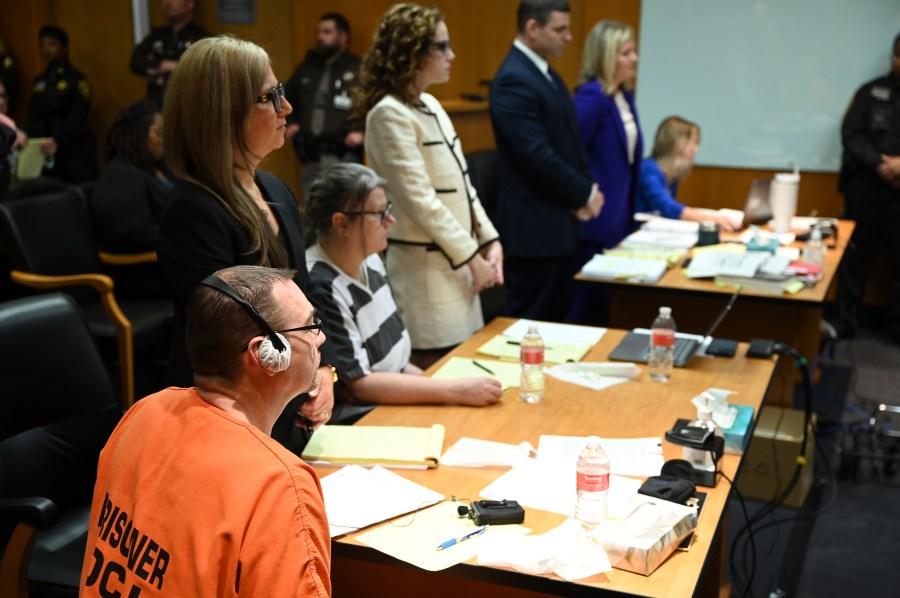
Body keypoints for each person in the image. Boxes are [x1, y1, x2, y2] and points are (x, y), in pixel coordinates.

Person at [80, 265, 332, 597]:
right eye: (310, 326)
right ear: (267, 355)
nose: (321, 338)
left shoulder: (143, 412)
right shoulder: (278, 485)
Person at [157, 36, 335, 453]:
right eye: (268, 97)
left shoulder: (275, 189)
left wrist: (325, 370)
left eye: (282, 92)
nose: (285, 108)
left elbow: (306, 302)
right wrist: (306, 375)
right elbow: (231, 344)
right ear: (222, 114)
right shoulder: (192, 211)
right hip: (232, 429)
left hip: (290, 410)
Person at [352, 3, 503, 363]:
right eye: (441, 46)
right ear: (412, 53)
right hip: (427, 278)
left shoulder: (431, 104)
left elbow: (464, 186)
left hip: (462, 269)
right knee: (438, 375)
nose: (452, 55)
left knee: (467, 370)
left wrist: (490, 239)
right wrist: (471, 256)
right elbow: (421, 201)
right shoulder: (388, 114)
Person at [305, 163, 503, 409]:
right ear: (341, 224)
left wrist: (440, 388)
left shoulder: (372, 259)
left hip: (395, 393)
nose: (391, 220)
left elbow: (395, 362)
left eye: (387, 209)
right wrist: (453, 390)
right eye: (379, 214)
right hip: (368, 411)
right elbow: (357, 386)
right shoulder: (319, 282)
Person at [489, 0, 603, 322]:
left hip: (557, 226)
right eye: (560, 29)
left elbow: (570, 143)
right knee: (528, 326)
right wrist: (583, 193)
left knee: (553, 325)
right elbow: (536, 156)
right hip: (534, 231)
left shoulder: (546, 73)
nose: (568, 37)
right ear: (533, 28)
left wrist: (586, 190)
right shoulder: (514, 78)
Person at [827, 32, 900, 342]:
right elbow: (852, 133)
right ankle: (843, 324)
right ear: (894, 58)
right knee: (855, 260)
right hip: (868, 189)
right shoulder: (871, 92)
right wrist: (882, 164)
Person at [284, 12, 363, 207]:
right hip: (310, 158)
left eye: (327, 32)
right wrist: (291, 122)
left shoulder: (358, 69)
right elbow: (285, 96)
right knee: (311, 215)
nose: (320, 37)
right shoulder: (307, 67)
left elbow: (374, 105)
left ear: (342, 36)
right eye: (319, 32)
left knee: (344, 212)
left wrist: (362, 131)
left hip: (344, 156)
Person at [91, 99, 173, 254]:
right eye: (160, 133)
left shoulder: (159, 168)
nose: (165, 140)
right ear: (137, 134)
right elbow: (132, 234)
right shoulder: (121, 174)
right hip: (144, 268)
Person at [24, 25, 97, 183]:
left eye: (52, 44)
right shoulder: (39, 81)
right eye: (42, 45)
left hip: (72, 152)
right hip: (45, 151)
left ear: (64, 48)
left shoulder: (77, 80)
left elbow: (79, 117)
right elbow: (32, 115)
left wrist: (57, 139)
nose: (46, 49)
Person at [636, 116, 738, 229]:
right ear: (675, 143)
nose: (696, 149)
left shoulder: (671, 173)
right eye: (693, 143)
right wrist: (713, 219)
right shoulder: (648, 170)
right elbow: (667, 206)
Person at [130, 0, 210, 107]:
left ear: (190, 3)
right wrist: (167, 65)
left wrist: (156, 66)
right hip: (154, 105)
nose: (167, 2)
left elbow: (202, 70)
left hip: (187, 107)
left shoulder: (203, 39)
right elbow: (135, 62)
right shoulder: (158, 35)